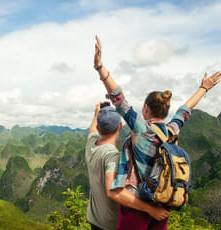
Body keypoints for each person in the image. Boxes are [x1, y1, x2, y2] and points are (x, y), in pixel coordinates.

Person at [93, 35, 221, 230]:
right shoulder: (172, 131)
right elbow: (185, 110)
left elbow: (118, 98)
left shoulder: (141, 129)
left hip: (137, 205)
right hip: (163, 204)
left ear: (145, 109)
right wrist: (204, 88)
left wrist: (100, 68)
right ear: (165, 112)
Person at [86, 103, 170, 230]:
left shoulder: (91, 144)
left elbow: (92, 128)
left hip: (94, 219)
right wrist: (150, 209)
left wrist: (97, 112)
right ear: (120, 126)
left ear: (98, 126)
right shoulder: (112, 156)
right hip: (110, 224)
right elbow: (113, 191)